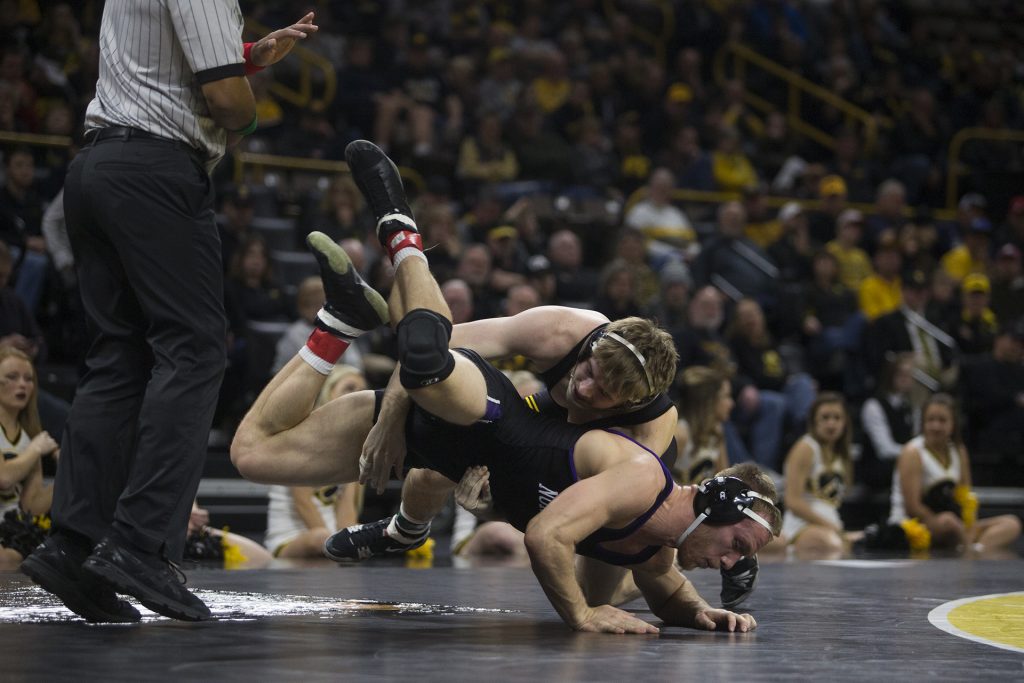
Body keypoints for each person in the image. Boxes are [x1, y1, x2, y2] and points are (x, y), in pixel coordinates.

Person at [231, 140, 781, 634]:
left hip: (494, 456)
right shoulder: (566, 337)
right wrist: (389, 422)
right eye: (587, 373)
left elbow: (642, 565)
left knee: (250, 456)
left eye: (605, 395)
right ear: (589, 349)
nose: (587, 392)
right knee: (427, 365)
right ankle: (402, 233)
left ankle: (339, 321)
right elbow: (436, 345)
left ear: (634, 404)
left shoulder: (652, 444)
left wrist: (697, 610)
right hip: (496, 415)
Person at [21, 6, 319, 624]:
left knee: (119, 359)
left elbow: (163, 61)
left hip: (97, 167)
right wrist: (246, 102)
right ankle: (140, 544)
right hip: (155, 171)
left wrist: (245, 57)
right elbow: (230, 105)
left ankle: (72, 547)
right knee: (197, 349)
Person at [889, 394, 1022, 551]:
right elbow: (913, 507)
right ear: (923, 423)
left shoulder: (959, 451)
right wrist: (949, 525)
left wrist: (968, 527)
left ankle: (977, 548)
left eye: (942, 420)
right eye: (930, 420)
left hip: (954, 525)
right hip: (916, 524)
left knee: (1011, 523)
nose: (936, 426)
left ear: (953, 424)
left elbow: (966, 496)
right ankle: (968, 550)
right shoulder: (912, 452)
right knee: (948, 521)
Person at [264, 365, 366, 559]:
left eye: (362, 391)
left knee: (360, 535)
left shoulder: (354, 448)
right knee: (320, 538)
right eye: (350, 388)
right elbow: (303, 502)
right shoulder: (301, 437)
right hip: (291, 539)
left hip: (327, 537)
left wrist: (350, 543)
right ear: (328, 392)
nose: (358, 396)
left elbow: (347, 511)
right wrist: (335, 546)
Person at [0, 348, 59, 569]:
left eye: (28, 379)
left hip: (9, 530)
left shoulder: (29, 437)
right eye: (12, 377)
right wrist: (35, 450)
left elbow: (30, 507)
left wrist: (65, 475)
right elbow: (4, 477)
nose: (22, 385)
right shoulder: (35, 445)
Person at [778, 393, 854, 558]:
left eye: (837, 418)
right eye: (825, 417)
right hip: (802, 525)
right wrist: (831, 527)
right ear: (814, 422)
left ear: (845, 422)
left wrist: (834, 527)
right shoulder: (806, 448)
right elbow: (793, 501)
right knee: (830, 545)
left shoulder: (841, 454)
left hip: (831, 524)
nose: (831, 423)